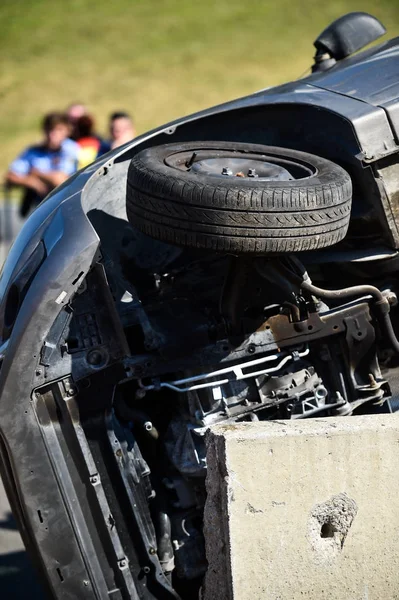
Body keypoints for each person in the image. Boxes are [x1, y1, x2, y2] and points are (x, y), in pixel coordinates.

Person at [5, 112, 79, 217]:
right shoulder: (33, 151)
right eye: (50, 129)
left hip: (65, 207)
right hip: (38, 208)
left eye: (58, 130)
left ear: (67, 131)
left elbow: (60, 180)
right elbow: (10, 176)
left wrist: (36, 173)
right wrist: (31, 182)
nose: (53, 134)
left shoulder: (70, 148)